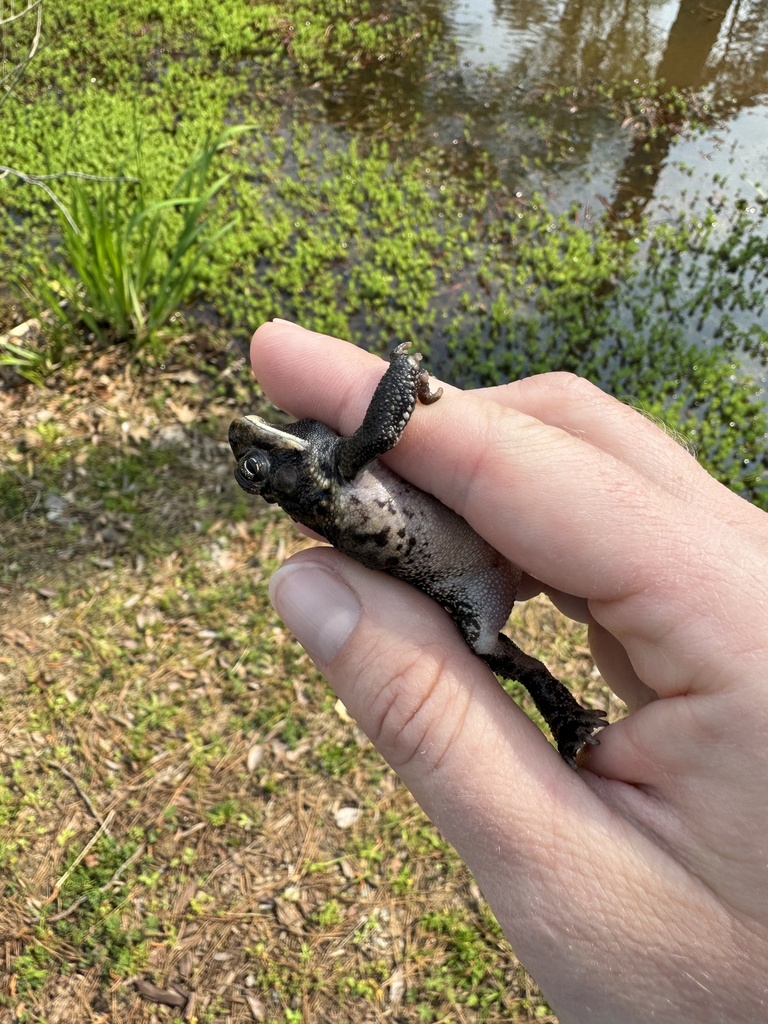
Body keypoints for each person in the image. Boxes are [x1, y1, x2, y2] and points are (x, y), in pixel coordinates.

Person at [250, 319, 768, 1024]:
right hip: (461, 583)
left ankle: (561, 710)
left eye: (258, 464)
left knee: (493, 642)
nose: (261, 457)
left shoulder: (333, 465)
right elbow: (378, 431)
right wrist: (402, 369)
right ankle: (565, 711)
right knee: (495, 652)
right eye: (259, 471)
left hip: (478, 541)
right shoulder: (331, 474)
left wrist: (401, 374)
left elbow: (377, 436)